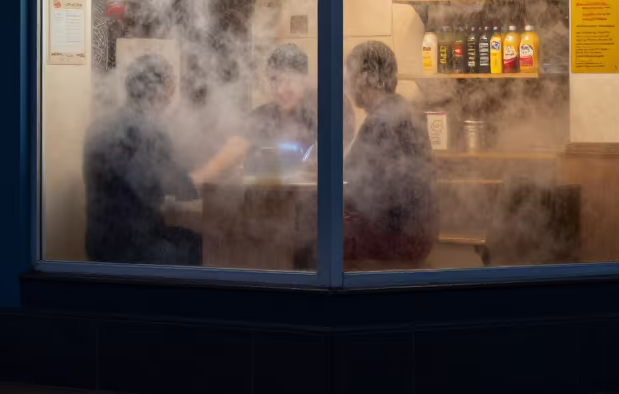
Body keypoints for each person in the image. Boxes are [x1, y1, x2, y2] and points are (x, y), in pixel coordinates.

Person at [84, 53, 202, 266]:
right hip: (135, 247)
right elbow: (178, 187)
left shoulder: (100, 126)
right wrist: (216, 168)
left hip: (98, 243)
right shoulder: (149, 129)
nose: (171, 95)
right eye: (171, 86)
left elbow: (141, 181)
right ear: (160, 91)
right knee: (203, 246)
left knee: (189, 238)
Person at [191, 43, 354, 186]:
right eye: (275, 80)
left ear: (304, 80)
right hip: (268, 206)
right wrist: (197, 177)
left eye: (289, 80)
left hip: (315, 208)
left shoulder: (322, 113)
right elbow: (234, 148)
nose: (281, 90)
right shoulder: (262, 116)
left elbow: (338, 159)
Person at [343, 40, 436, 268]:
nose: (347, 86)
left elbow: (353, 189)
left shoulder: (381, 122)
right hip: (419, 234)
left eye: (349, 77)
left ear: (365, 78)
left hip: (394, 239)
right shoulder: (404, 109)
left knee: (310, 234)